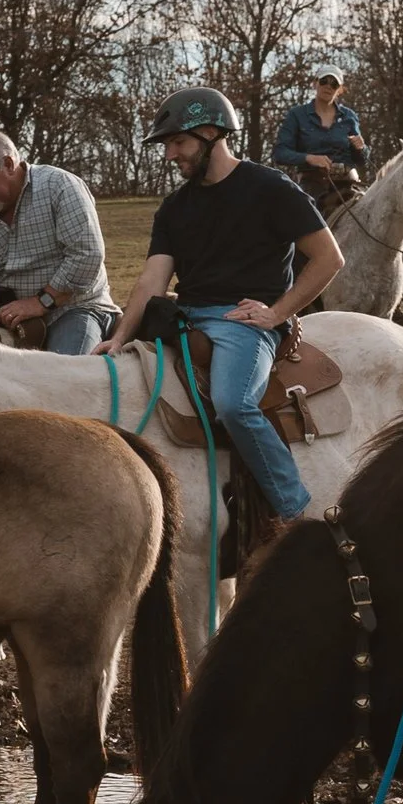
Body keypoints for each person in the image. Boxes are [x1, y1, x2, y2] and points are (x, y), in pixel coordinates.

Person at [105, 88, 344, 524]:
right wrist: (118, 335)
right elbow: (152, 281)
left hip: (242, 323)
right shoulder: (174, 208)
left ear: (211, 132)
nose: (170, 155)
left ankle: (296, 512)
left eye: (177, 142)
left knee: (233, 404)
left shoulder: (271, 189)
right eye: (167, 145)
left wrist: (276, 313)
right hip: (184, 317)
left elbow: (329, 258)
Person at [0, 133, 117, 354]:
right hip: (16, 321)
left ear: (9, 164)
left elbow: (87, 256)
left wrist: (41, 302)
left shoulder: (59, 186)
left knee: (64, 376)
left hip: (77, 308)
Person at [271, 66, 368, 184]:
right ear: (315, 83)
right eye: (324, 81)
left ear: (340, 90)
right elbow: (280, 153)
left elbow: (362, 161)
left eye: (334, 84)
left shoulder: (349, 116)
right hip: (311, 184)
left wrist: (361, 148)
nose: (328, 86)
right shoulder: (296, 115)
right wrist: (308, 158)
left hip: (349, 182)